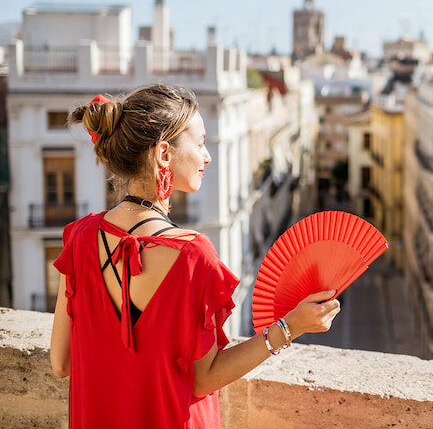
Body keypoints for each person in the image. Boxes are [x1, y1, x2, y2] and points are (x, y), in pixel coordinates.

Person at [49, 85, 341, 428]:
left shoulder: (79, 238)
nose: (207, 157)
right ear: (164, 155)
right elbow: (205, 378)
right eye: (200, 143)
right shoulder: (192, 255)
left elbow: (60, 362)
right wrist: (291, 326)